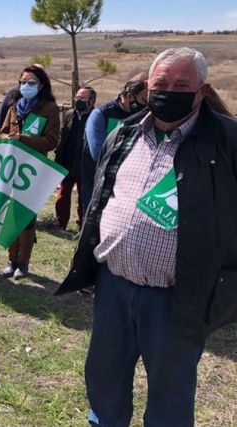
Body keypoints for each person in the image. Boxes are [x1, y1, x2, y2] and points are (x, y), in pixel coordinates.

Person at [57, 47, 237, 427]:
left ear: (201, 91)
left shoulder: (227, 141)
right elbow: (103, 195)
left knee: (171, 394)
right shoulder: (124, 133)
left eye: (181, 85)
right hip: (114, 287)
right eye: (161, 84)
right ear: (147, 86)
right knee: (105, 380)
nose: (168, 91)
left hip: (179, 298)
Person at [0, 65, 60, 279]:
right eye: (23, 82)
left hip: (33, 169)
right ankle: (11, 259)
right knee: (10, 213)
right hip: (11, 166)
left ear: (41, 85)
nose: (26, 86)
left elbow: (51, 141)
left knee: (26, 214)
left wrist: (22, 139)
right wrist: (5, 138)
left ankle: (23, 264)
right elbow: (2, 131)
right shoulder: (15, 105)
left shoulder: (50, 109)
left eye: (31, 83)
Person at [81, 73, 147, 212]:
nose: (145, 105)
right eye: (142, 99)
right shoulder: (101, 114)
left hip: (125, 181)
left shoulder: (142, 115)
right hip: (96, 178)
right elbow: (97, 152)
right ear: (129, 96)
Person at [54, 86, 96, 230]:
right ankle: (60, 223)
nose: (78, 100)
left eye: (82, 98)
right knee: (62, 195)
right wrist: (58, 151)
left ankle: (82, 227)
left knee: (84, 198)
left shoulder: (96, 117)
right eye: (77, 97)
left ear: (91, 101)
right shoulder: (69, 114)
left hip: (85, 164)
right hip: (66, 161)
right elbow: (62, 134)